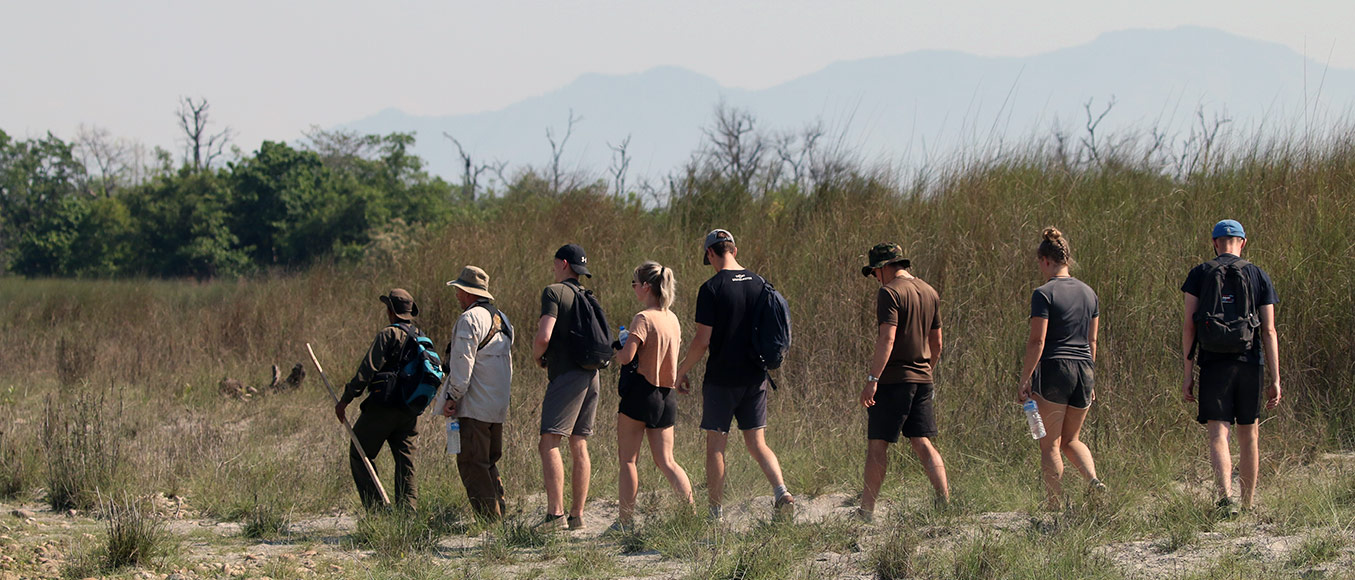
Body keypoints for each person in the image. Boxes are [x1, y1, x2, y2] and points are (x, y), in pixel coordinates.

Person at [676, 229, 793, 521]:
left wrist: (682, 370)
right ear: (734, 250)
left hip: (721, 379)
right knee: (757, 443)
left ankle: (715, 515)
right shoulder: (761, 284)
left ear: (710, 254)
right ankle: (782, 492)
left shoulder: (712, 288)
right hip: (756, 376)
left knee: (716, 446)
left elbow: (702, 340)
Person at [1181, 219, 1281, 515]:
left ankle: (1225, 499)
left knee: (1218, 433)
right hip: (1250, 361)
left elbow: (1189, 326)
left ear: (1214, 242)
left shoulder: (1200, 273)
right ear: (1243, 242)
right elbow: (1269, 331)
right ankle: (1248, 503)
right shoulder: (1258, 275)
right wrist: (1275, 378)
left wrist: (1187, 374)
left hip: (1213, 362)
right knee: (1249, 434)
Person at [857, 243, 950, 520]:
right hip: (923, 378)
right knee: (922, 442)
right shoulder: (929, 291)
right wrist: (927, 370)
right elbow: (938, 342)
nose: (875, 277)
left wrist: (873, 379)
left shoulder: (890, 292)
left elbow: (888, 337)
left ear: (885, 267)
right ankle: (944, 502)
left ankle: (866, 511)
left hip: (894, 380)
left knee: (877, 444)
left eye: (875, 272)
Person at [1015, 228, 1104, 511]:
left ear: (1045, 260)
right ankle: (1093, 480)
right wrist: (1091, 380)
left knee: (1050, 445)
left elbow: (1037, 340)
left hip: (1055, 369)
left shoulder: (1044, 293)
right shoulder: (1089, 293)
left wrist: (1025, 378)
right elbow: (1092, 341)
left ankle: (1055, 507)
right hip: (1084, 370)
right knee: (1072, 439)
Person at [609, 261, 695, 533]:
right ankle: (690, 513)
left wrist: (616, 347)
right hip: (666, 395)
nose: (634, 288)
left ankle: (625, 522)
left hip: (640, 394)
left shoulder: (643, 318)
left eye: (634, 283)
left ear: (646, 286)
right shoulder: (672, 318)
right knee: (667, 461)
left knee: (628, 460)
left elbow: (627, 357)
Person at [531, 244, 603, 530]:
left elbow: (543, 335)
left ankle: (555, 516)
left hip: (567, 375)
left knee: (549, 442)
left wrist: (538, 357)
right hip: (592, 373)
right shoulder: (588, 295)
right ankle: (577, 515)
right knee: (579, 443)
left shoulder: (553, 292)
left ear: (562, 263)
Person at [434, 266, 513, 521]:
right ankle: (499, 514)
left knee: (471, 463)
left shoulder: (469, 320)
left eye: (458, 290)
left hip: (474, 406)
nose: (456, 295)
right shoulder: (503, 318)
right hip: (497, 407)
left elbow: (462, 365)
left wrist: (452, 397)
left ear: (466, 292)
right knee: (488, 461)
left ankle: (489, 523)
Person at [335, 288, 424, 511]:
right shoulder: (420, 336)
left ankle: (378, 511)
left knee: (359, 452)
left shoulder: (388, 334)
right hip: (410, 410)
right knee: (406, 463)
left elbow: (367, 371)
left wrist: (345, 400)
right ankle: (408, 515)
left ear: (391, 311)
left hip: (383, 407)